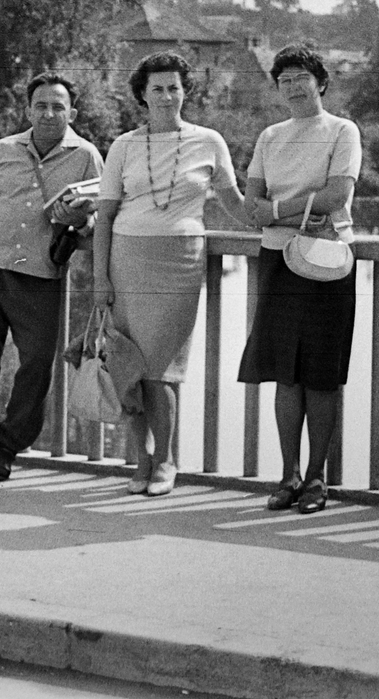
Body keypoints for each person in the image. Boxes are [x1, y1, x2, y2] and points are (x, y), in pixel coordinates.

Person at [93, 52, 249, 496]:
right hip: (127, 260)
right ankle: (140, 462)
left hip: (179, 262)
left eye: (174, 87)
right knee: (130, 366)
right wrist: (101, 279)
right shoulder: (123, 146)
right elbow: (103, 218)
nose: (166, 96)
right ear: (142, 95)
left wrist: (279, 219)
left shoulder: (209, 141)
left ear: (185, 92)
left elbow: (235, 203)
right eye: (157, 88)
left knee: (161, 369)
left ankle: (166, 461)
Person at [0, 72, 102, 484]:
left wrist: (81, 220)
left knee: (36, 365)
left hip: (39, 273)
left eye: (58, 106)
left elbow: (100, 217)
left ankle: (9, 449)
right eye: (41, 105)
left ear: (72, 112)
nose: (49, 113)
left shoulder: (87, 155)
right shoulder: (2, 150)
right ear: (28, 109)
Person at [236, 44, 362, 514]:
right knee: (286, 375)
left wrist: (277, 210)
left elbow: (335, 196)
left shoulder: (341, 131)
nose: (292, 85)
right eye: (284, 78)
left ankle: (316, 479)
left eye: (301, 77)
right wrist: (283, 213)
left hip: (327, 261)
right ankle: (288, 476)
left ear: (321, 82)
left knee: (321, 375)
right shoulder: (270, 136)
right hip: (278, 261)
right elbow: (251, 205)